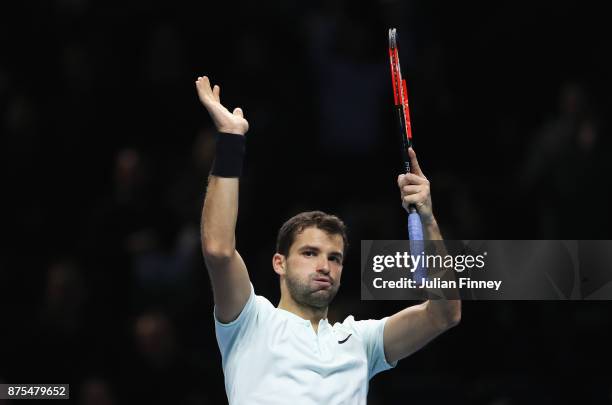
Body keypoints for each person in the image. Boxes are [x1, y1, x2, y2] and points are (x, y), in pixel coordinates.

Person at [195, 75, 461, 404]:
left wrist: (427, 217)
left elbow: (444, 313)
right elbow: (218, 250)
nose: (324, 266)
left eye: (334, 258)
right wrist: (231, 142)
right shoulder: (250, 321)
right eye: (309, 253)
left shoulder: (361, 341)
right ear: (279, 262)